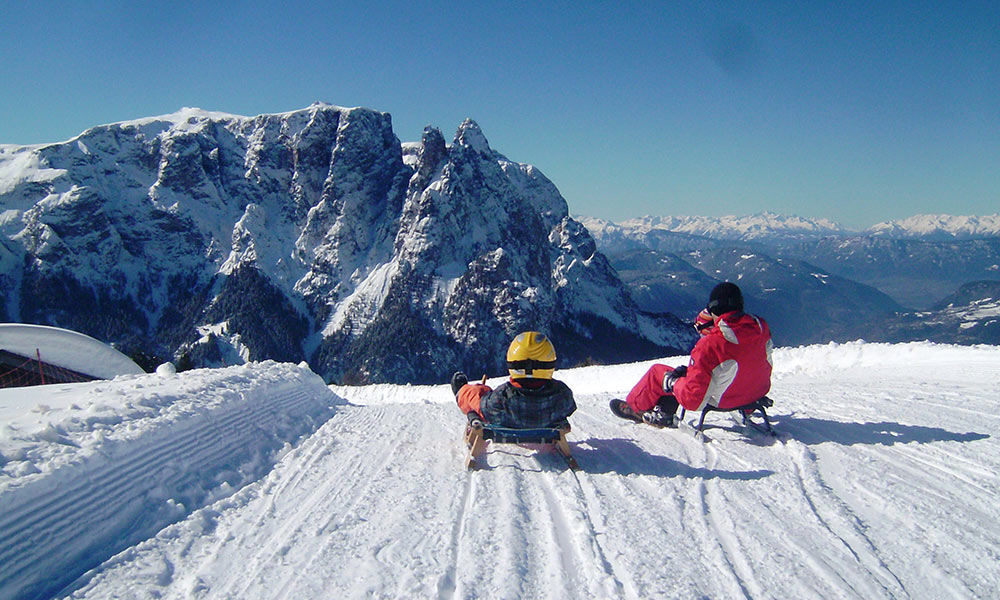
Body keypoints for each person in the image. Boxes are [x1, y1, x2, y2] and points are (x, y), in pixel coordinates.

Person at [612, 282, 773, 427]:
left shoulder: (711, 344)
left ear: (713, 309)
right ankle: (664, 407)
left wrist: (674, 382)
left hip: (724, 399)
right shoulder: (761, 327)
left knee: (658, 373)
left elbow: (693, 400)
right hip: (754, 395)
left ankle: (635, 407)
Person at [452, 331, 576, 429]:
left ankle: (461, 391)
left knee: (476, 396)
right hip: (546, 424)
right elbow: (570, 408)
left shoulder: (501, 397)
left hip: (508, 420)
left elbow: (483, 408)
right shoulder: (562, 394)